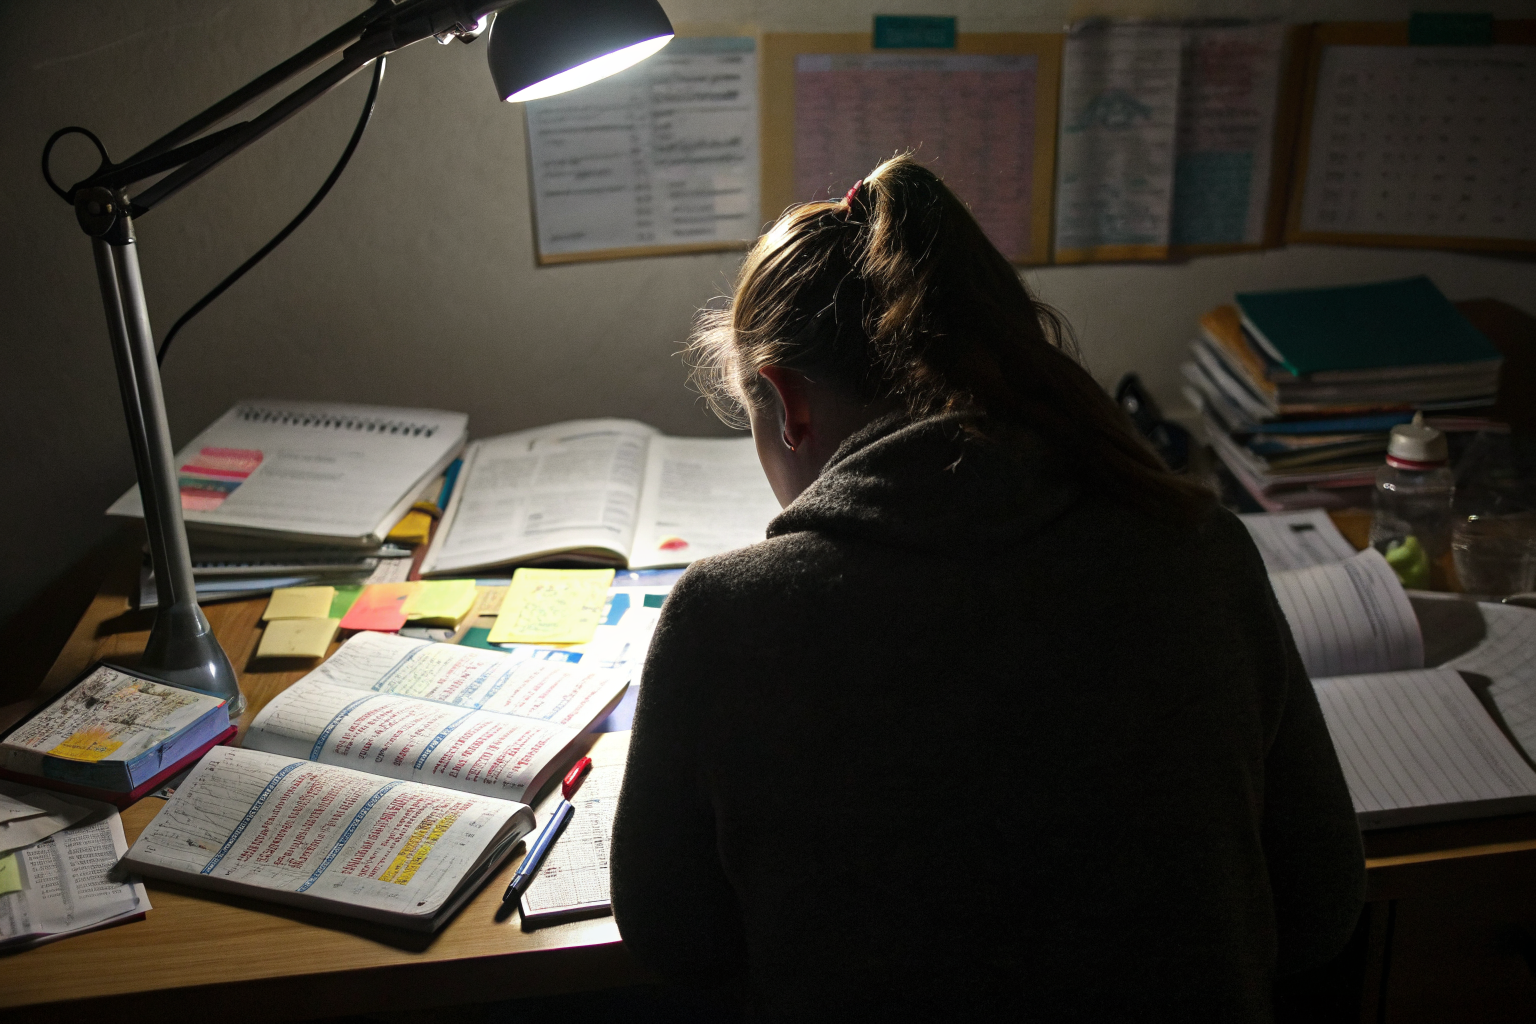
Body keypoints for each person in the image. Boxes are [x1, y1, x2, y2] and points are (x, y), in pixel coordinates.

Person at [609, 156, 1364, 1022]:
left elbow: (677, 941)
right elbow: (1318, 914)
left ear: (788, 406)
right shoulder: (1201, 550)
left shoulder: (727, 618)